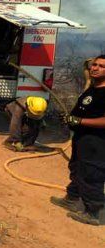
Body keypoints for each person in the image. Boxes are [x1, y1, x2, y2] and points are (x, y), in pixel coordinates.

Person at [50, 54, 105, 226]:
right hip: (82, 138)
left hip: (97, 142)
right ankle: (72, 199)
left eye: (101, 66)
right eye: (94, 65)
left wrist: (80, 121)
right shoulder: (93, 88)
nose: (95, 68)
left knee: (91, 174)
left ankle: (94, 212)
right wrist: (70, 119)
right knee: (76, 168)